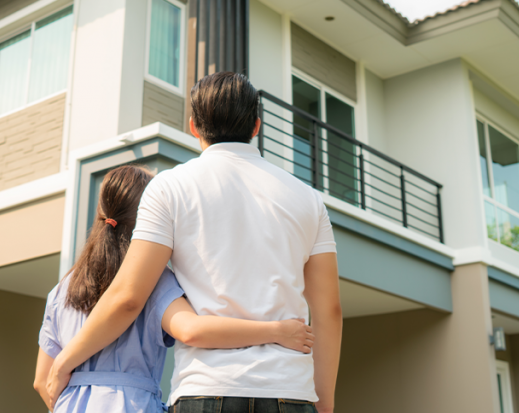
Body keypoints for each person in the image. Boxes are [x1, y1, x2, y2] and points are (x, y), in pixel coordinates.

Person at [46, 72, 343, 413]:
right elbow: (329, 311)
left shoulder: (169, 187)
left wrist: (64, 362)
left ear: (193, 126)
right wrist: (323, 403)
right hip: (290, 391)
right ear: (256, 126)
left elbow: (128, 297)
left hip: (205, 390)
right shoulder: (309, 200)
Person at [33, 164, 316, 412]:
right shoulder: (152, 280)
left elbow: (41, 381)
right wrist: (277, 331)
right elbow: (191, 330)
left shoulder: (61, 290)